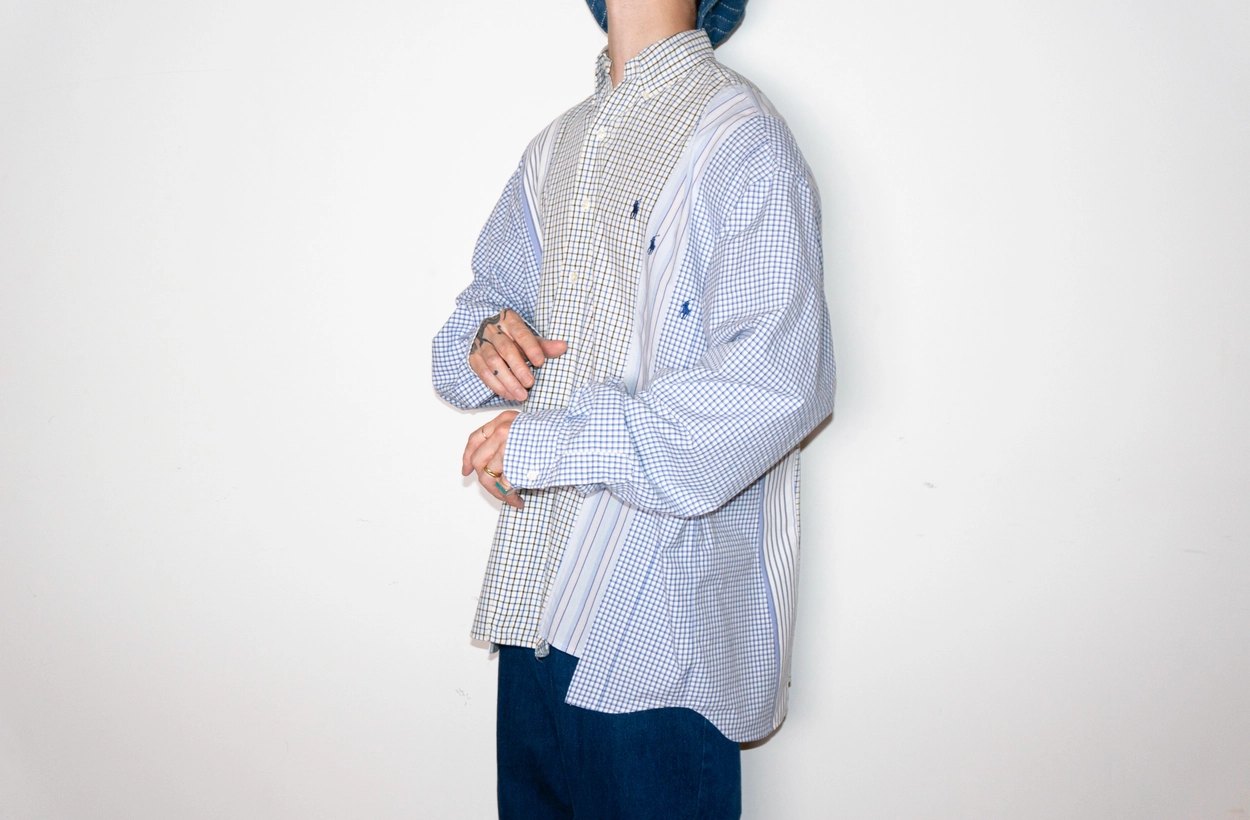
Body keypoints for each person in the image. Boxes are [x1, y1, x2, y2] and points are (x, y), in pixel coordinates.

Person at [432, 0, 834, 815]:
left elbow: (775, 385)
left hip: (658, 627)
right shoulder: (557, 147)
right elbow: (459, 347)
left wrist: (547, 446)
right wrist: (488, 338)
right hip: (534, 603)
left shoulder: (742, 139)